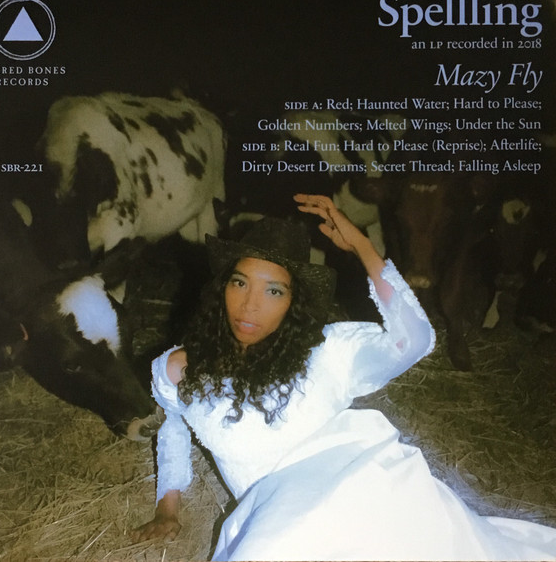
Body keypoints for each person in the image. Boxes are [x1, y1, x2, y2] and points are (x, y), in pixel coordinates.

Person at [133, 194, 556, 561]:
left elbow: (413, 340)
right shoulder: (178, 368)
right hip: (277, 515)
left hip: (360, 489)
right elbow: (174, 428)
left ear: (295, 302)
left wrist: (362, 247)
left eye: (273, 290)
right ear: (222, 287)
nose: (249, 305)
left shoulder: (327, 353)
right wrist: (168, 508)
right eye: (240, 283)